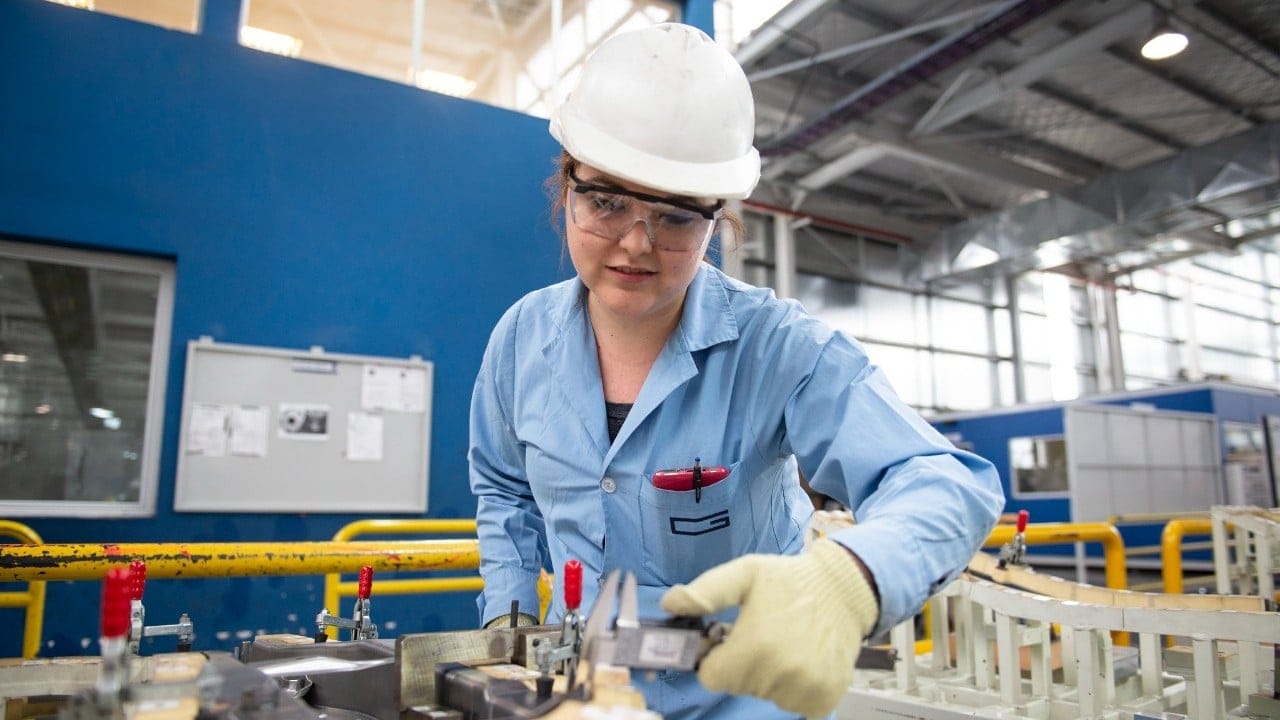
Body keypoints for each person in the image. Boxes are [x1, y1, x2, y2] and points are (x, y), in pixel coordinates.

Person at [469, 22, 1004, 720]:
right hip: (584, 695)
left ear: (717, 220)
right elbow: (505, 490)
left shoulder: (779, 348)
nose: (636, 242)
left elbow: (941, 485)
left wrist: (851, 579)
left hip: (743, 698)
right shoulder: (519, 342)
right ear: (566, 185)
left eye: (677, 218)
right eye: (605, 201)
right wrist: (508, 623)